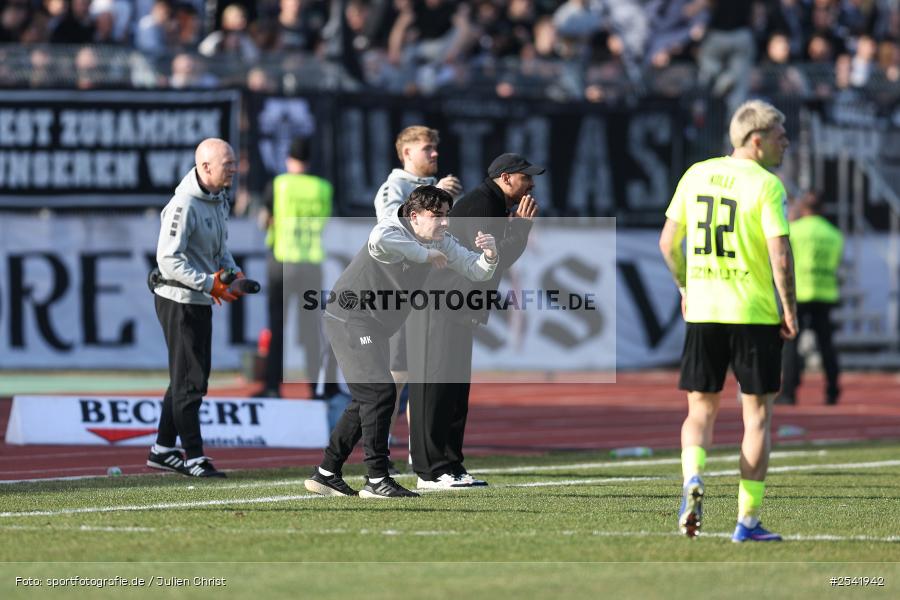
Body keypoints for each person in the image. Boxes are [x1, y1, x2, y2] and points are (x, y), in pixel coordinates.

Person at [658, 99, 797, 542]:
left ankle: (693, 478)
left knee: (700, 410)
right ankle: (747, 521)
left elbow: (667, 242)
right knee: (756, 418)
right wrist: (789, 310)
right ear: (756, 141)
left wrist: (684, 286)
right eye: (780, 136)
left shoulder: (695, 174)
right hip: (753, 312)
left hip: (703, 310)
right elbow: (780, 255)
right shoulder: (767, 184)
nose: (786, 143)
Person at [304, 185, 498, 498]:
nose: (445, 223)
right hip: (351, 318)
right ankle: (377, 478)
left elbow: (475, 270)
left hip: (376, 325)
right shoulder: (392, 229)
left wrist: (490, 255)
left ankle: (327, 472)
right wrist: (424, 254)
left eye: (447, 215)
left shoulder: (440, 240)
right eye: (437, 216)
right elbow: (380, 240)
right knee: (381, 393)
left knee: (367, 398)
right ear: (413, 216)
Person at [407, 153, 541, 490]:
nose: (532, 184)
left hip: (456, 308)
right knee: (434, 390)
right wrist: (521, 232)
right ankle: (430, 471)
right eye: (525, 177)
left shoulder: (493, 206)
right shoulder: (481, 204)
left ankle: (450, 465)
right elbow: (490, 261)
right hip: (438, 307)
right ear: (506, 178)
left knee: (453, 391)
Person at [147, 138, 243, 478]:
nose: (234, 168)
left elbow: (220, 250)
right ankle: (195, 455)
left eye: (233, 162)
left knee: (185, 376)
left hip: (198, 298)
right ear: (205, 167)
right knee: (191, 381)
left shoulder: (218, 199)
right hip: (179, 300)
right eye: (227, 163)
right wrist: (209, 283)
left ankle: (162, 449)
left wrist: (231, 274)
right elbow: (168, 260)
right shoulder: (183, 205)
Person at [373, 126, 462, 470]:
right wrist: (435, 194)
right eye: (427, 149)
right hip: (399, 294)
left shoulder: (431, 187)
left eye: (435, 148)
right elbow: (390, 230)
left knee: (422, 375)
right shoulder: (392, 188)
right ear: (406, 153)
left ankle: (418, 453)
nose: (435, 154)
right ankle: (379, 452)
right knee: (395, 378)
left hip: (426, 295)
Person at [257, 137, 333, 399]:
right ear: (309, 161)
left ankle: (272, 387)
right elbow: (324, 221)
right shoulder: (323, 188)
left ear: (289, 159)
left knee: (277, 326)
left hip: (282, 262)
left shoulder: (279, 185)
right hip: (311, 263)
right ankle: (317, 388)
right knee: (312, 330)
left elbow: (265, 220)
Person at [778, 190, 843, 405]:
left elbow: (784, 260)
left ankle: (789, 391)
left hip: (798, 293)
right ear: (822, 209)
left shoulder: (794, 230)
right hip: (824, 293)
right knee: (826, 344)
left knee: (790, 344)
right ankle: (832, 390)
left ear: (803, 208)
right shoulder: (834, 234)